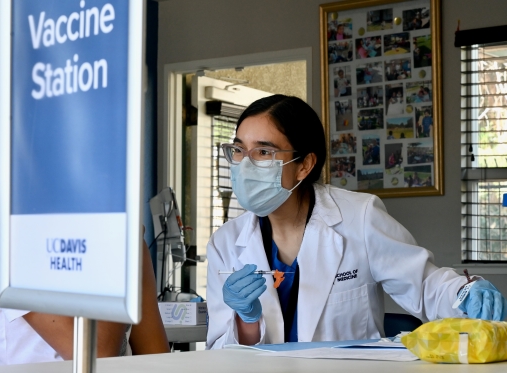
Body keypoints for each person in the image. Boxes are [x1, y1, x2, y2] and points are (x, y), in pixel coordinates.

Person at [205, 95, 507, 349]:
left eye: (263, 152)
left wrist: (464, 293)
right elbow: (222, 351)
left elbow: (423, 283)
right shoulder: (226, 243)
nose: (245, 164)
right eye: (239, 150)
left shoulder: (358, 217)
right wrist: (245, 319)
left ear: (304, 165)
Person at [0, 196, 170, 365]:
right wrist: (122, 246)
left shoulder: (116, 230)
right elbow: (97, 358)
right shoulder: (3, 222)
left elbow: (156, 359)